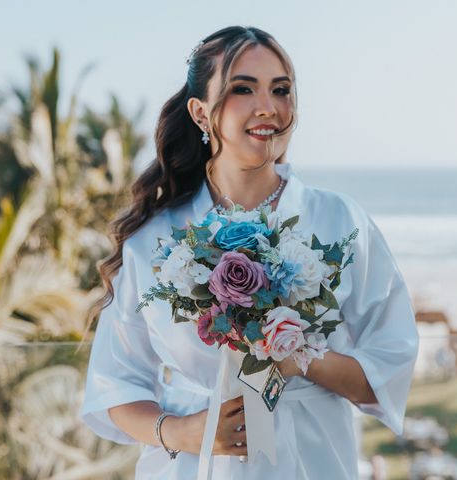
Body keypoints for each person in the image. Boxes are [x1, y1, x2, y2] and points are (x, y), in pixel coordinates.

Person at [79, 25, 419, 479]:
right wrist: (185, 433)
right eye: (243, 88)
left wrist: (298, 356)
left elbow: (390, 363)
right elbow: (115, 384)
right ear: (201, 113)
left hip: (313, 459)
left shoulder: (341, 222)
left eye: (281, 90)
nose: (269, 108)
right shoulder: (156, 240)